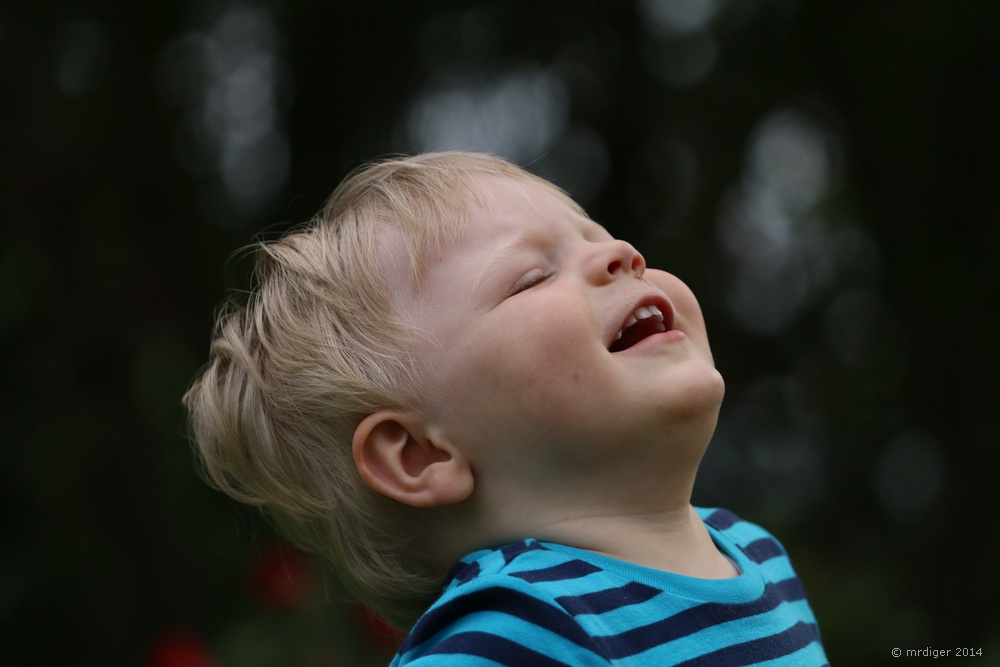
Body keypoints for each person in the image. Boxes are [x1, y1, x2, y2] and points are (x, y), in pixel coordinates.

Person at [184, 151, 828, 665]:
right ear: (419, 453)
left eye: (601, 238)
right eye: (532, 278)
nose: (621, 257)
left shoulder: (756, 554)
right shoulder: (522, 631)